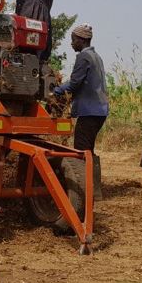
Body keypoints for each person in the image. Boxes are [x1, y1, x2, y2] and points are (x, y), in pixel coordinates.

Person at [52, 24, 109, 198]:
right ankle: (95, 191)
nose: (71, 43)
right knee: (88, 150)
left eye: (73, 40)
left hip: (89, 110)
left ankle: (86, 191)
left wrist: (55, 91)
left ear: (81, 40)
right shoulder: (96, 56)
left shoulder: (84, 57)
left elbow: (75, 83)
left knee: (81, 150)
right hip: (99, 110)